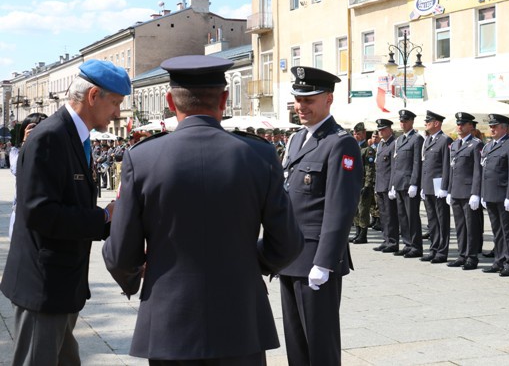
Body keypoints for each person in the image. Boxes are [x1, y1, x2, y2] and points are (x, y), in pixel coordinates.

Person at [102, 55, 304, 364]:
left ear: (170, 100)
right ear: (224, 99)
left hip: (169, 322)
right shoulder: (259, 155)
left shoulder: (142, 158)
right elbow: (288, 242)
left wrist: (133, 277)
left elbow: (120, 254)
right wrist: (252, 261)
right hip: (241, 319)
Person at [0, 59, 129, 365]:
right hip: (43, 286)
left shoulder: (74, 136)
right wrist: (104, 217)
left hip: (62, 284)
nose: (118, 113)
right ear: (93, 96)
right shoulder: (50, 137)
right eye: (116, 103)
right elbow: (40, 213)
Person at [280, 65, 362, 366]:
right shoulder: (296, 140)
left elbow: (340, 209)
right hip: (290, 257)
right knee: (296, 345)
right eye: (298, 100)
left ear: (328, 99)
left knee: (320, 345)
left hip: (316, 260)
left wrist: (325, 262)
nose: (301, 107)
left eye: (309, 100)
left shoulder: (340, 143)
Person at [480, 114, 509, 277]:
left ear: (504, 128)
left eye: (495, 126)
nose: (492, 129)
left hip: (504, 196)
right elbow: (486, 172)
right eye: (491, 126)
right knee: (497, 230)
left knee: (508, 231)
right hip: (491, 195)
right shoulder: (489, 146)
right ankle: (499, 259)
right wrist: (483, 194)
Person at [447, 112, 484, 270]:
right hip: (456, 191)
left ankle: (471, 256)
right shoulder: (455, 144)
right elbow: (451, 170)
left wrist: (476, 193)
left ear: (471, 126)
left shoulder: (476, 144)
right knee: (460, 226)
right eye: (458, 124)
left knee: (471, 226)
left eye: (463, 124)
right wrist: (449, 190)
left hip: (469, 192)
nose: (460, 126)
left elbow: (478, 171)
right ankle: (462, 255)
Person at [389, 109, 424, 258]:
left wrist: (414, 183)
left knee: (412, 216)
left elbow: (417, 162)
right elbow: (395, 164)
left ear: (411, 122)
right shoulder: (399, 140)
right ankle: (407, 243)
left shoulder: (417, 139)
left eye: (405, 121)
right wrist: (392, 184)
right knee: (402, 215)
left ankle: (416, 246)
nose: (402, 124)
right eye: (401, 121)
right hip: (399, 183)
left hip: (409, 183)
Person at [8, 113, 49, 240]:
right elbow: (17, 168)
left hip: (46, 213)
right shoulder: (16, 152)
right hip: (22, 213)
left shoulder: (52, 151)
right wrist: (27, 142)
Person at [419, 111, 452, 263]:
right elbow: (424, 164)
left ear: (436, 123)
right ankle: (433, 248)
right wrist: (422, 186)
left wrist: (444, 187)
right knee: (432, 220)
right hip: (428, 185)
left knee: (441, 220)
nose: (426, 123)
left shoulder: (444, 140)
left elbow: (446, 165)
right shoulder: (427, 140)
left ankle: (442, 251)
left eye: (428, 121)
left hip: (439, 187)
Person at [373, 119, 400, 253]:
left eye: (383, 129)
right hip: (380, 184)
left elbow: (394, 167)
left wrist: (392, 186)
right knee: (383, 215)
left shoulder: (394, 144)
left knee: (390, 215)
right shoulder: (381, 145)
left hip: (388, 185)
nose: (381, 132)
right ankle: (386, 239)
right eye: (379, 130)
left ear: (390, 129)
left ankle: (393, 241)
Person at [350, 122, 376, 244]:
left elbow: (369, 168)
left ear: (364, 134)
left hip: (363, 183)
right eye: (355, 133)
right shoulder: (353, 148)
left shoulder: (368, 150)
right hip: (353, 183)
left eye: (358, 133)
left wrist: (367, 185)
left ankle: (363, 234)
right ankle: (357, 232)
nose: (356, 136)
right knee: (355, 209)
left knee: (363, 209)